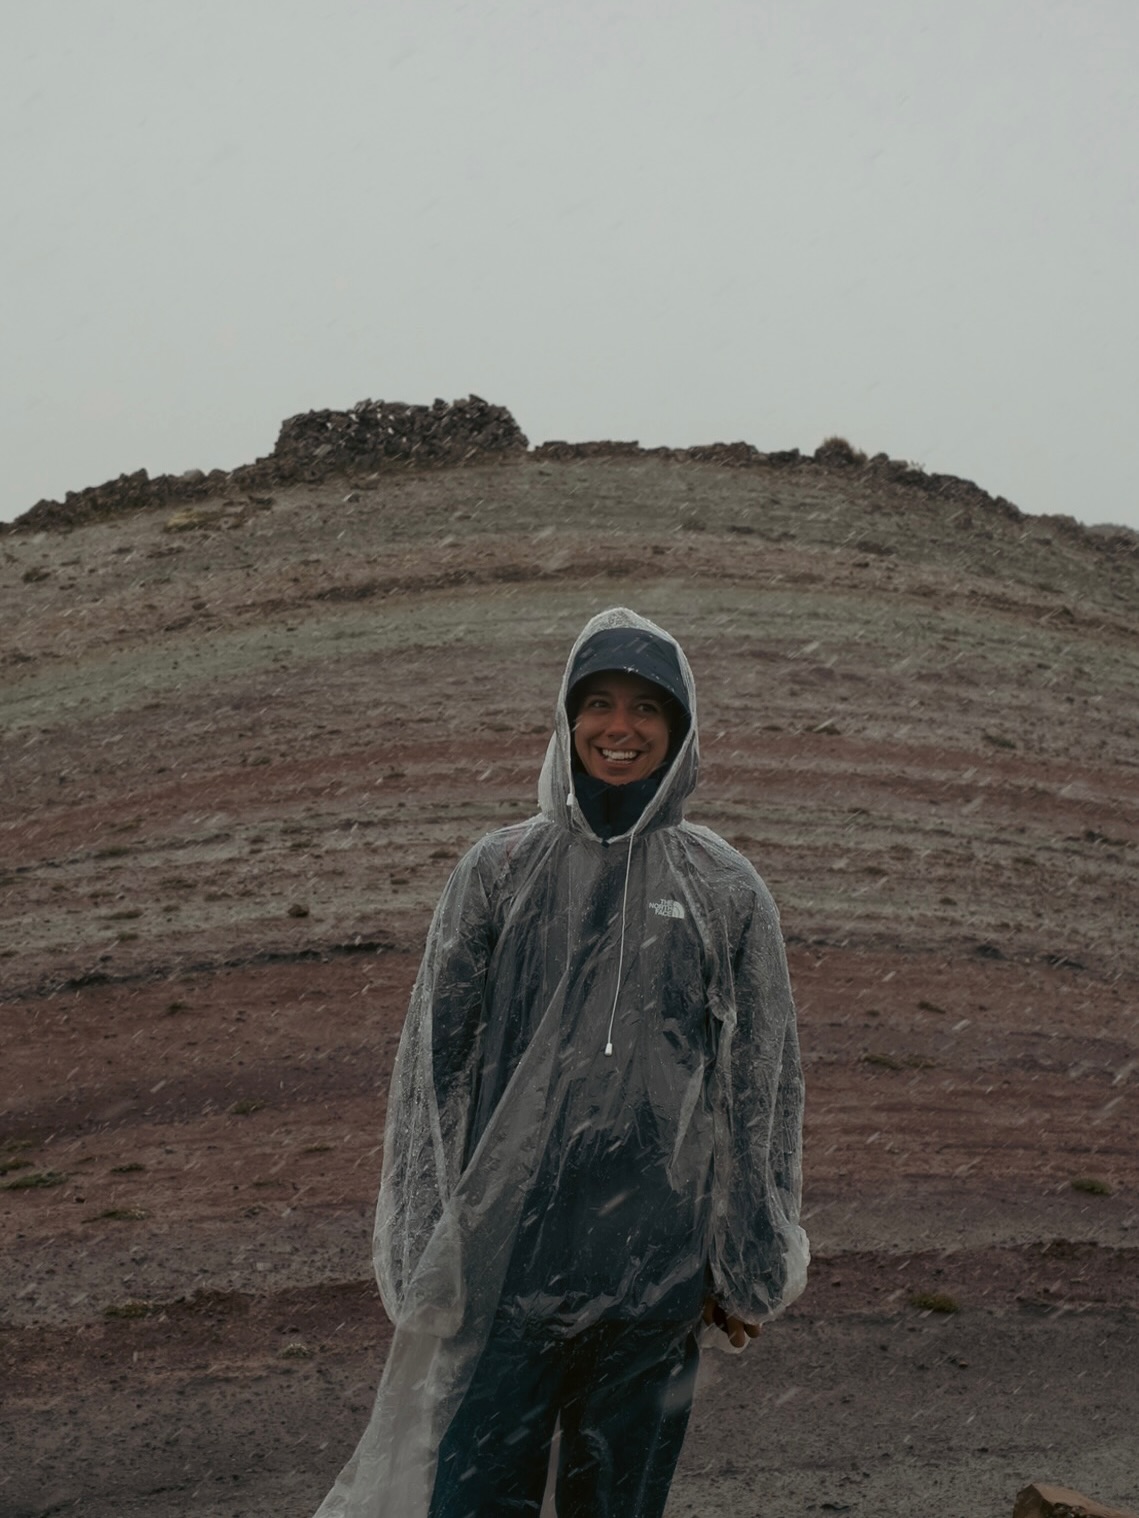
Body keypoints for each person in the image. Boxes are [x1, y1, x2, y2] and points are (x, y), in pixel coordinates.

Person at [314, 606, 808, 1518]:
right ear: (566, 719)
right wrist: (427, 1252)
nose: (621, 730)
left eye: (647, 710)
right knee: (470, 1498)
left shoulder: (725, 889)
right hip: (505, 1268)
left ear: (681, 729)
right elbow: (434, 1075)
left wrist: (745, 1259)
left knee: (616, 1504)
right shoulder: (498, 871)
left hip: (656, 1272)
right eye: (600, 704)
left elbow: (760, 1086)